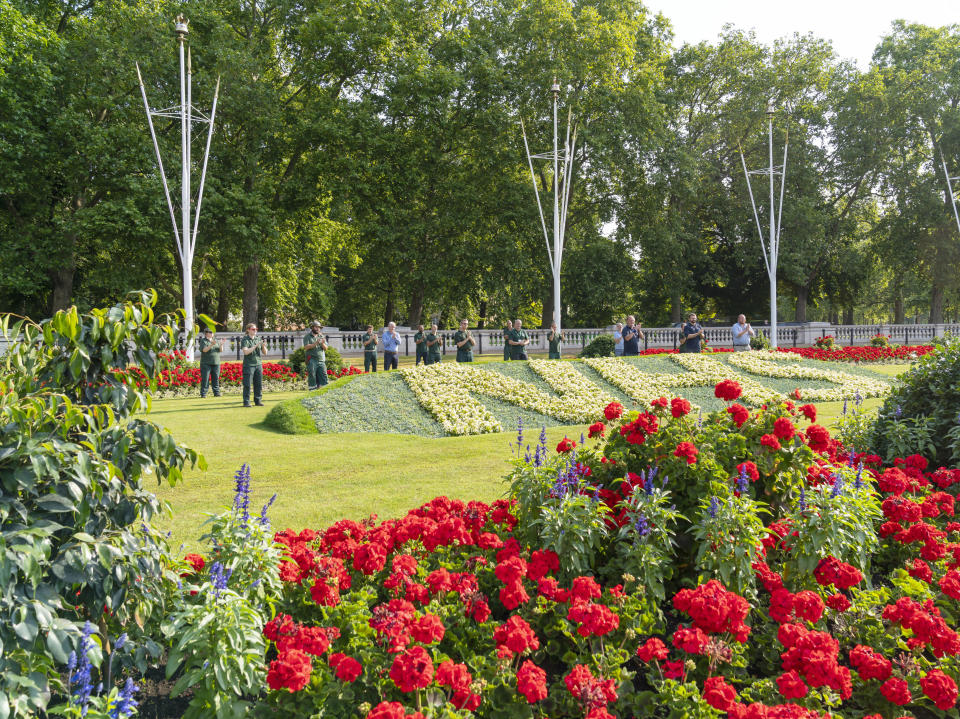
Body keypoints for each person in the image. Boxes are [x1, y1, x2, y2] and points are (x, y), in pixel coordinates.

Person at [240, 323, 264, 406]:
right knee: (247, 384)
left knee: (258, 384)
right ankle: (246, 402)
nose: (255, 330)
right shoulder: (245, 340)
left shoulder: (258, 339)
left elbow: (265, 352)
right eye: (253, 329)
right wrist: (255, 346)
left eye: (256, 329)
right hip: (249, 365)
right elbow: (246, 352)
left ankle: (258, 401)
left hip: (258, 364)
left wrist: (263, 346)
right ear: (248, 330)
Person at [198, 327, 224, 398]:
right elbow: (204, 350)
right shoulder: (203, 341)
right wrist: (211, 344)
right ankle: (203, 393)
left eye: (212, 332)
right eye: (210, 332)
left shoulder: (215, 340)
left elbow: (220, 350)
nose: (212, 333)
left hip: (216, 362)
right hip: (206, 363)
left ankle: (216, 392)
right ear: (206, 333)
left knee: (216, 378)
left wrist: (221, 344)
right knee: (205, 379)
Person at [303, 321, 328, 390]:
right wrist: (316, 343)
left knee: (324, 375)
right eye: (316, 327)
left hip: (321, 360)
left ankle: (325, 390)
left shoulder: (321, 336)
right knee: (312, 375)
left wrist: (322, 344)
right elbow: (306, 347)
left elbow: (326, 348)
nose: (318, 329)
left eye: (319, 327)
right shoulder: (307, 336)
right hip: (311, 359)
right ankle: (312, 390)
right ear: (312, 328)